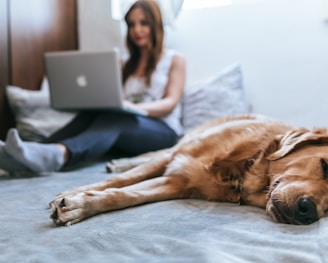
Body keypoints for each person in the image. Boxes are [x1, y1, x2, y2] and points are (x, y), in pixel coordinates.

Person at [0, 0, 186, 173]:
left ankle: (60, 155)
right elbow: (111, 96)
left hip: (163, 131)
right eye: (131, 24)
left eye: (143, 23)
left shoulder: (175, 59)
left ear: (156, 25)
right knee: (97, 114)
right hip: (127, 124)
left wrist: (134, 108)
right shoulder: (123, 63)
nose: (137, 30)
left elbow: (170, 102)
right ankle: (31, 152)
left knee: (117, 120)